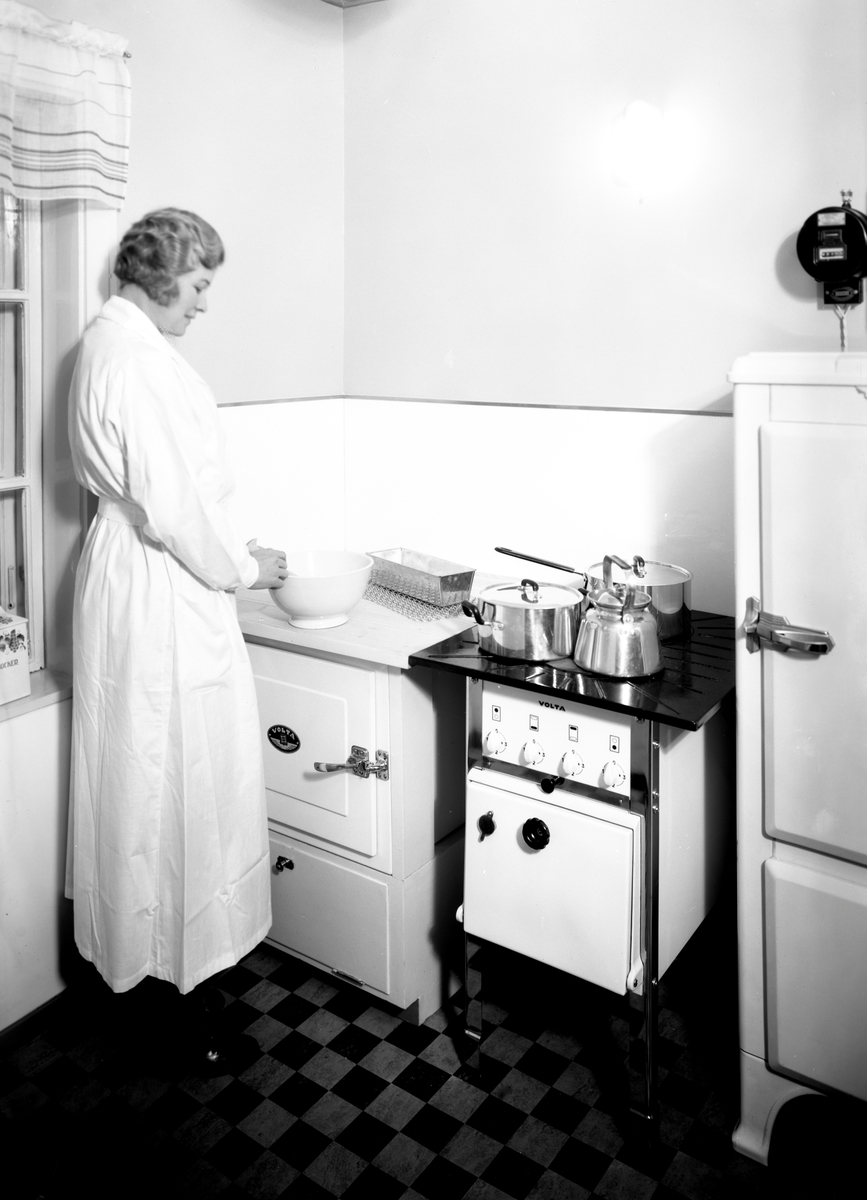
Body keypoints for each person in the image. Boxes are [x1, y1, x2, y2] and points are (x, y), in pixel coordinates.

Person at [65, 208, 288, 1073]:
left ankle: (147, 976)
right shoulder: (135, 362)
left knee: (140, 780)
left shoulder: (109, 346)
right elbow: (176, 507)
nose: (203, 303)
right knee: (178, 785)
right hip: (161, 586)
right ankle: (177, 1000)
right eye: (197, 285)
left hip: (133, 575)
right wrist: (247, 566)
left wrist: (222, 553)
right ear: (159, 276)